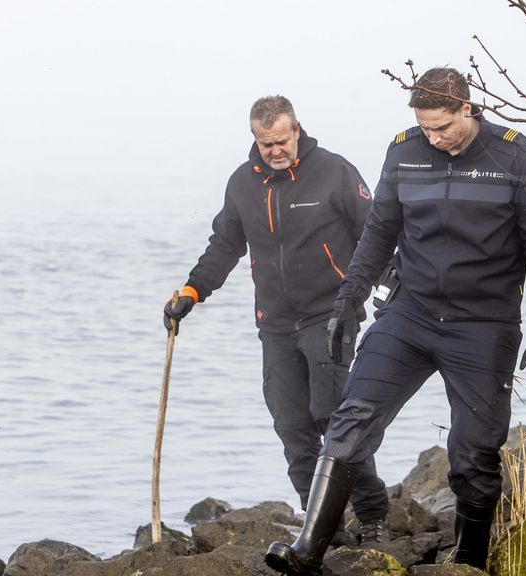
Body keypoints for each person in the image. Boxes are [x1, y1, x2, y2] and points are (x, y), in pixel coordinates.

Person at [264, 68, 526, 575]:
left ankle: (468, 559)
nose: (434, 137)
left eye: (443, 126)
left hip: (484, 323)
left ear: (468, 108)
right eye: (425, 127)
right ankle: (306, 551)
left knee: (473, 450)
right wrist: (346, 304)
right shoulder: (404, 151)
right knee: (351, 418)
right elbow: (378, 233)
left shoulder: (515, 154)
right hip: (410, 314)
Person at [162, 96, 390, 547]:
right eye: (266, 143)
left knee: (335, 420)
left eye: (282, 141)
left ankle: (373, 516)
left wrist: (390, 287)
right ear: (255, 139)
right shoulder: (243, 184)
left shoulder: (333, 170)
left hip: (332, 314)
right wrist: (192, 291)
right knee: (291, 426)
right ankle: (321, 526)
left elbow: (376, 233)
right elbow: (226, 245)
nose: (275, 150)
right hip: (275, 324)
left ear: (297, 130)